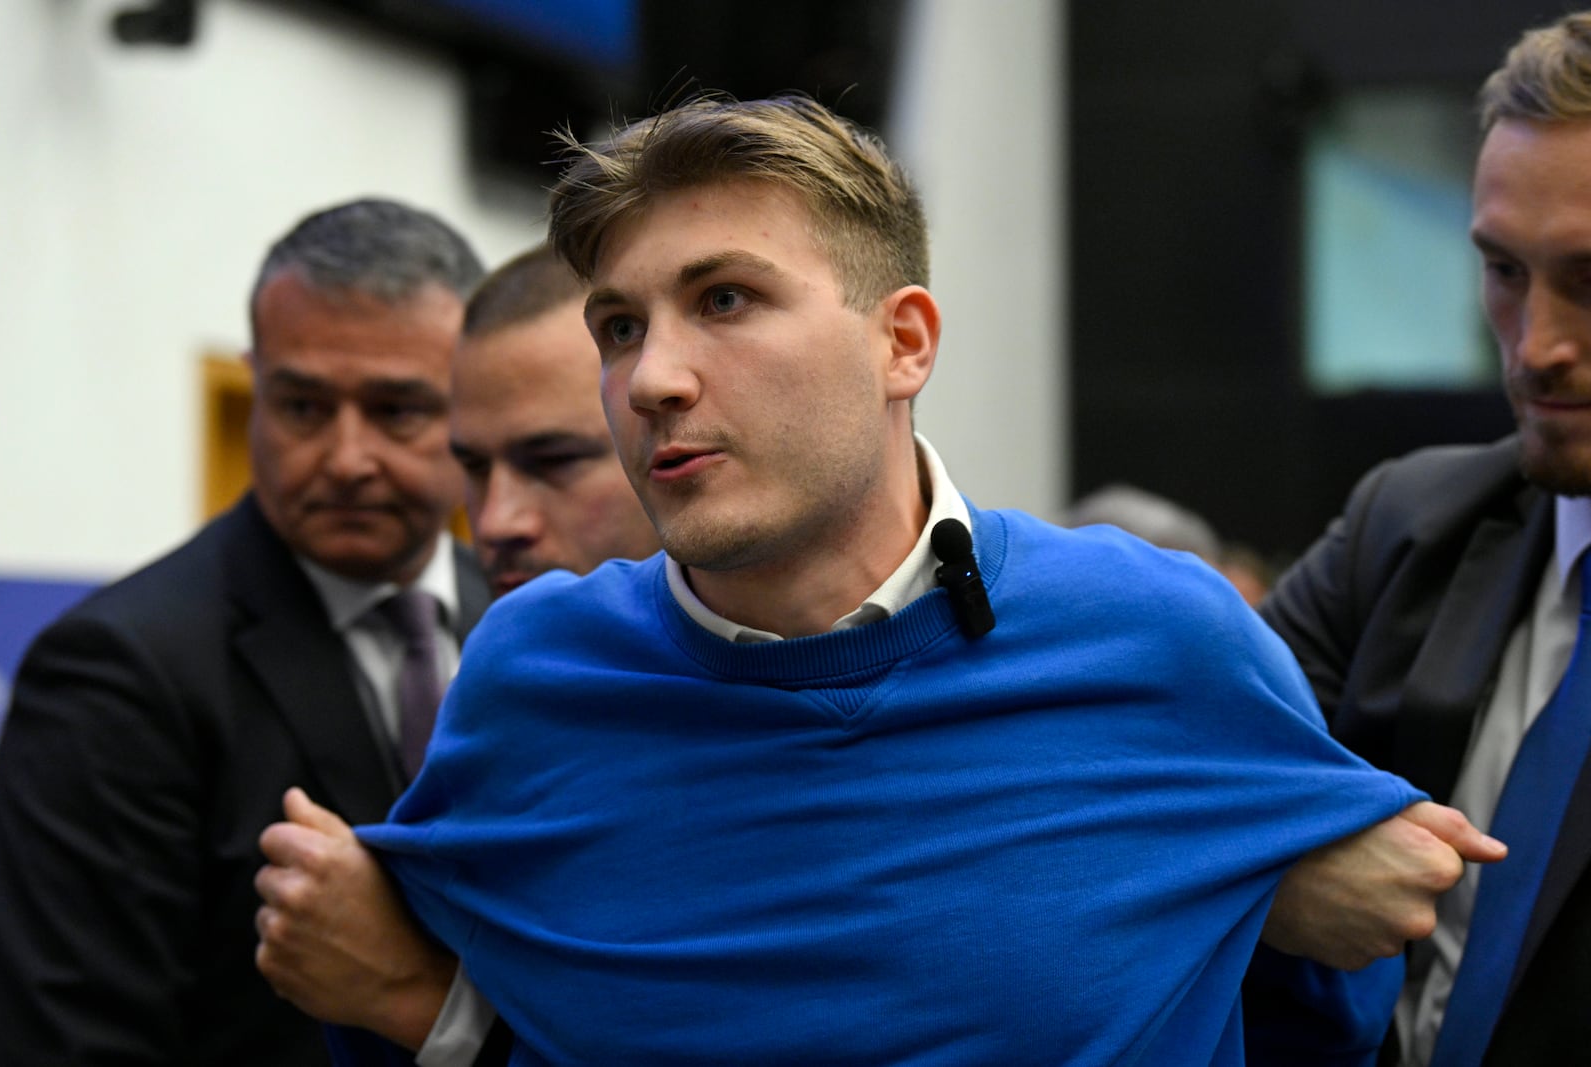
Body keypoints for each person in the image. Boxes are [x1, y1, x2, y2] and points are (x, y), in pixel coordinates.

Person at [312, 95, 1495, 1066]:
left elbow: (1325, 1018)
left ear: (904, 341)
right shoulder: (533, 678)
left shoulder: (1159, 633)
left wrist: (1260, 876)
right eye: (619, 326)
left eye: (725, 299)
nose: (652, 376)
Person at [0, 198, 490, 1066]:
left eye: (397, 410)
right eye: (301, 405)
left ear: (471, 405)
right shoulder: (117, 669)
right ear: (255, 386)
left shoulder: (531, 619)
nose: (345, 457)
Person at [1252, 11, 1591, 1064]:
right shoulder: (1409, 527)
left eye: (1589, 278)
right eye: (1502, 269)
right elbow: (1158, 769)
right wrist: (1277, 871)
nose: (1535, 346)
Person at [252, 243, 660, 1061]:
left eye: (554, 460)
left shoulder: (827, 676)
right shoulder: (508, 691)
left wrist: (424, 996)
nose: (497, 518)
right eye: (472, 465)